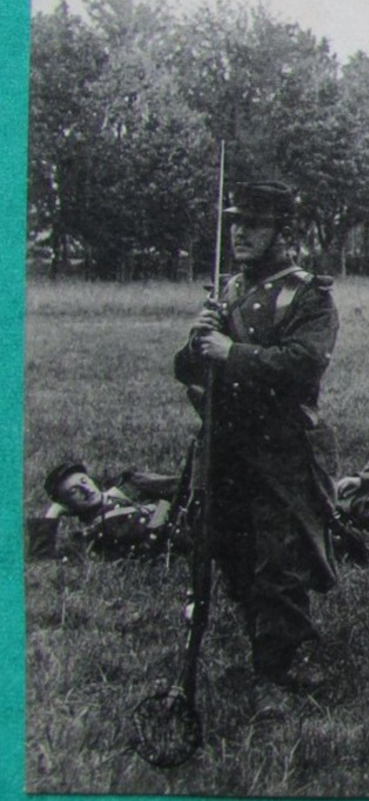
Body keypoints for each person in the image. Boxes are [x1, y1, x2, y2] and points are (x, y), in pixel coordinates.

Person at [173, 179, 340, 697]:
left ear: (283, 231)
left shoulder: (308, 294)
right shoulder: (229, 290)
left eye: (254, 224)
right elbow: (188, 369)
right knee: (229, 547)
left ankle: (286, 660)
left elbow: (304, 364)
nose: (240, 234)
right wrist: (200, 341)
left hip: (280, 445)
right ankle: (260, 645)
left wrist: (232, 353)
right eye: (236, 224)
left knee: (279, 553)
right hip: (225, 443)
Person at [31, 460, 183, 559]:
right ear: (68, 506)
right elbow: (41, 558)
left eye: (84, 481)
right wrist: (53, 512)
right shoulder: (88, 537)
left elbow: (184, 486)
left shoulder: (131, 487)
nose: (85, 489)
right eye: (74, 491)